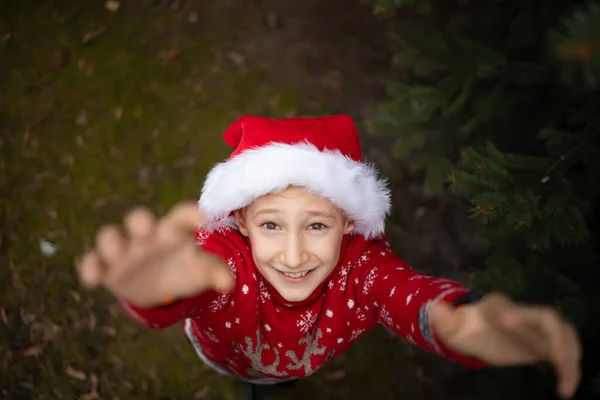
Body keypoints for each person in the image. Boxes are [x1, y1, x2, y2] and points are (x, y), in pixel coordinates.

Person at [77, 115, 582, 400]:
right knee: (257, 389)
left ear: (347, 224)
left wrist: (457, 320)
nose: (294, 255)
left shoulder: (361, 267)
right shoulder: (222, 262)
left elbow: (405, 294)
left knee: (278, 388)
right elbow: (189, 279)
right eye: (271, 225)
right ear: (242, 223)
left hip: (296, 361)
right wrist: (162, 293)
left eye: (317, 226)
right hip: (228, 356)